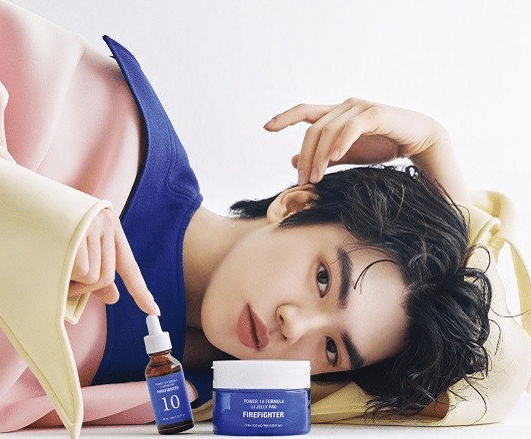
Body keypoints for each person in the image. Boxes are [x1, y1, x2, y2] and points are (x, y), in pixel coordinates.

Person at [1, 0, 529, 433]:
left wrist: (435, 145)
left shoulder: (210, 392)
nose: (295, 326)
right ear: (296, 205)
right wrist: (24, 210)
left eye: (331, 348)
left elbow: (496, 377)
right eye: (323, 279)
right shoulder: (110, 124)